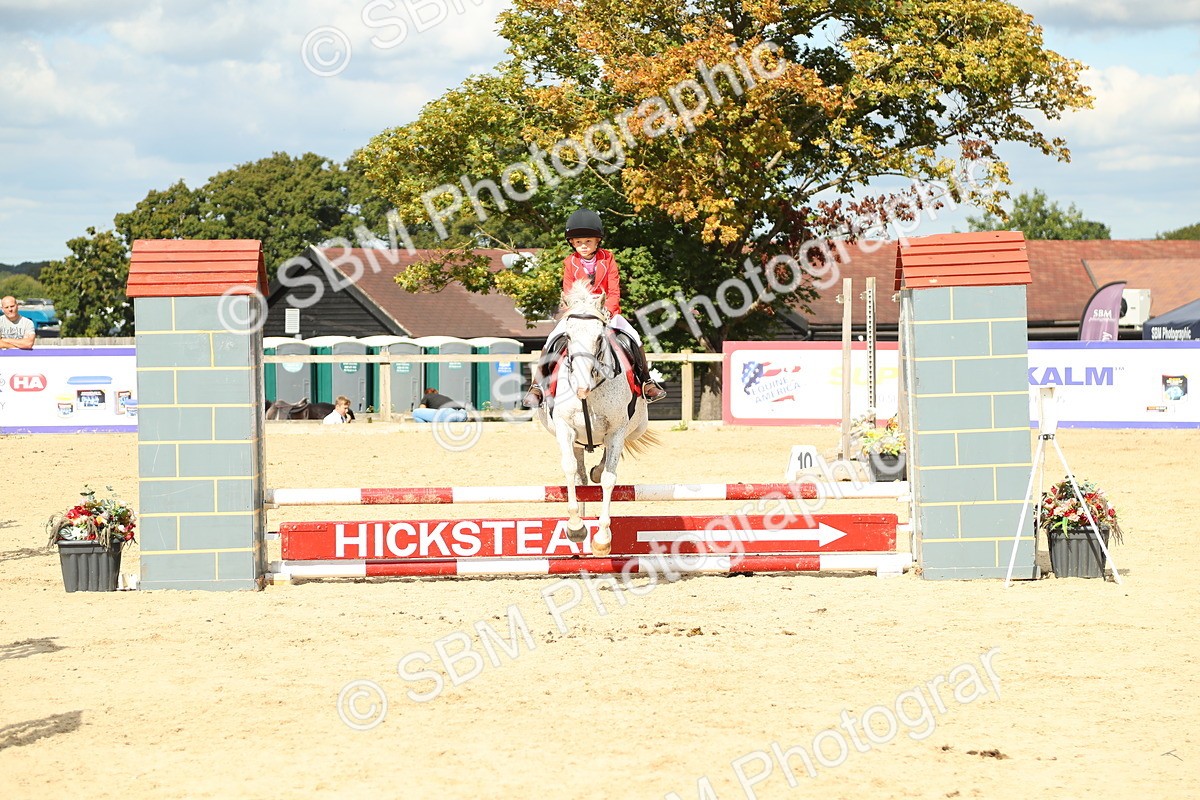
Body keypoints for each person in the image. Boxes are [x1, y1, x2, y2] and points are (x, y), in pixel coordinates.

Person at [521, 209, 666, 408]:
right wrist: (579, 311)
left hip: (606, 312)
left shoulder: (608, 259)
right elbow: (569, 292)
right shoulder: (570, 263)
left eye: (588, 241)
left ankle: (646, 381)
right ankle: (537, 387)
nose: (583, 246)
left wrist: (606, 311)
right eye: (578, 241)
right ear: (571, 242)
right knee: (551, 339)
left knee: (633, 336)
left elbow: (614, 290)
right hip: (580, 313)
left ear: (597, 241)